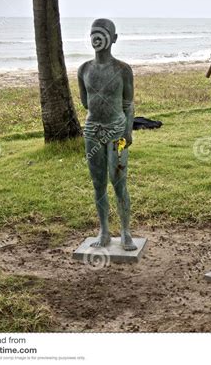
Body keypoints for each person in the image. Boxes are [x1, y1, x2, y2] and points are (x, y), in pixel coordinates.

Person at [78, 18, 136, 251]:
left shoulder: (123, 69)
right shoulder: (84, 69)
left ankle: (125, 231)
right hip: (92, 131)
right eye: (93, 33)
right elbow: (85, 102)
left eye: (102, 33)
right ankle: (104, 231)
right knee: (98, 183)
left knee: (118, 180)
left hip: (117, 132)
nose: (97, 37)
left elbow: (128, 103)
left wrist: (128, 132)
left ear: (114, 38)